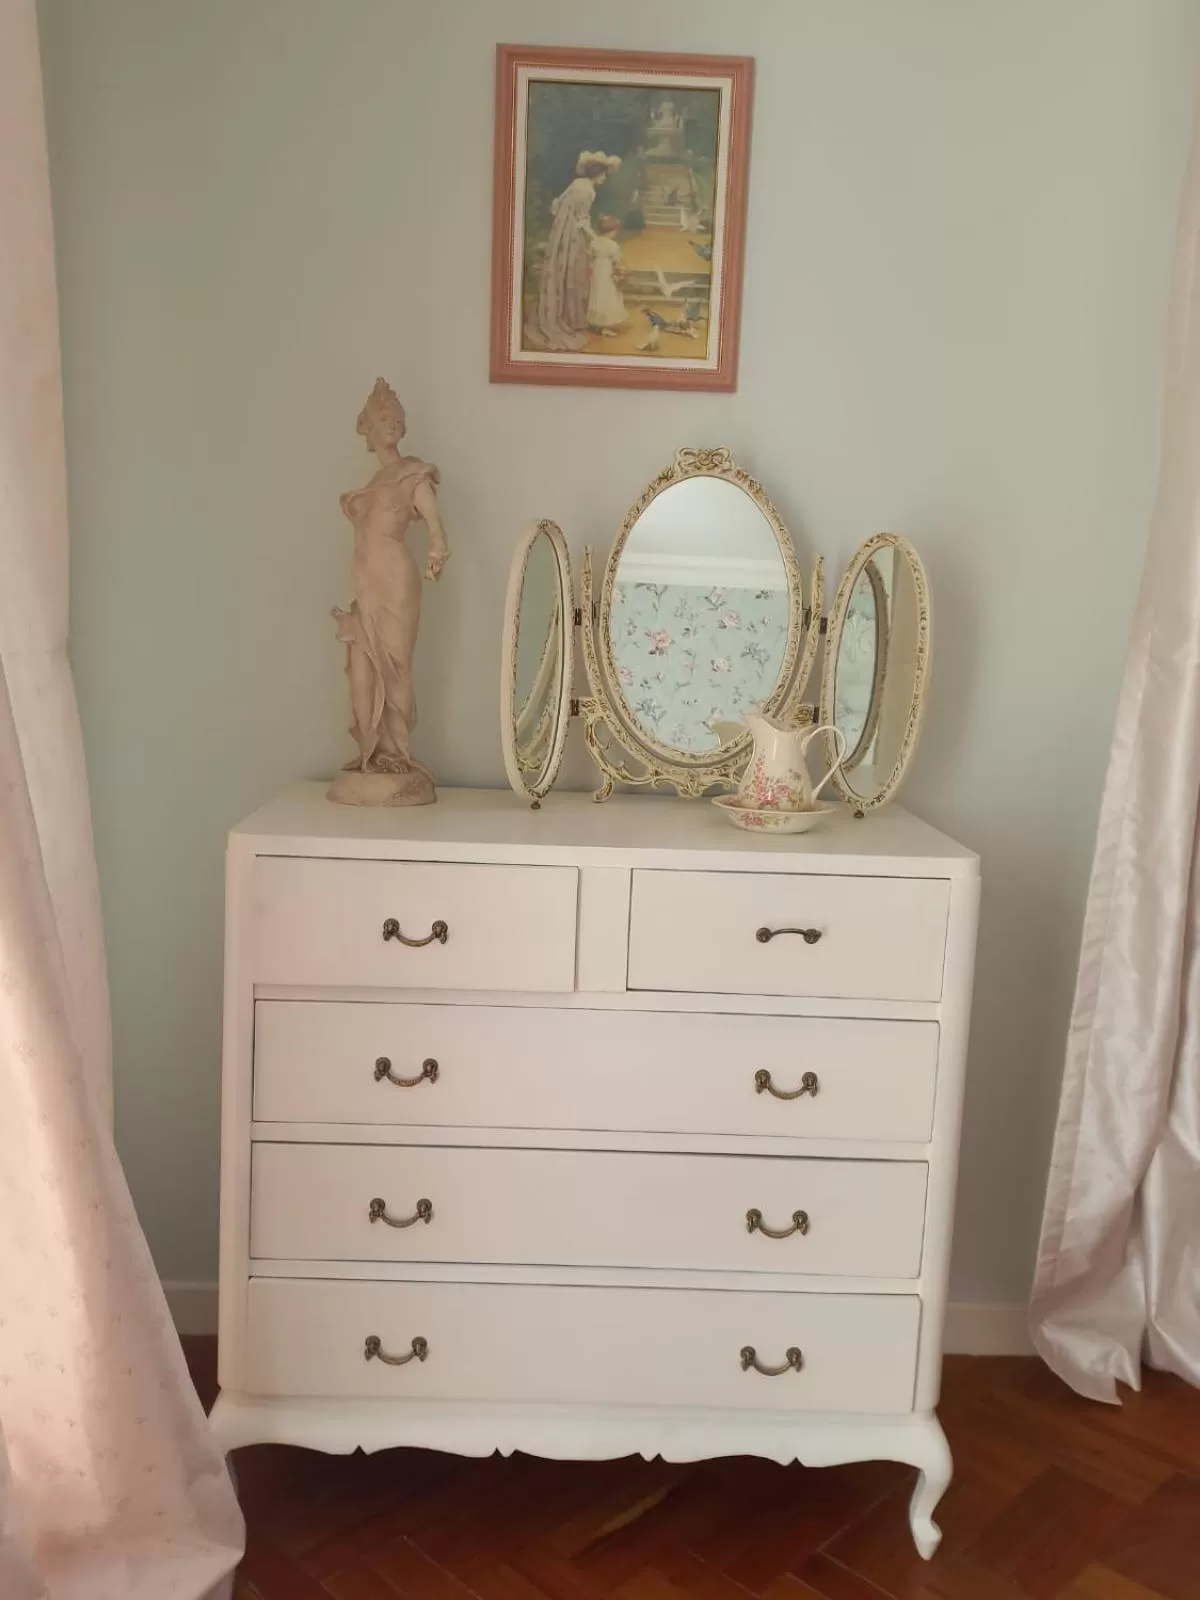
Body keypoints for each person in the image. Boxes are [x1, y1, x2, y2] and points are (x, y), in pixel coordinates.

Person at [527, 150, 620, 351]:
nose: (604, 178)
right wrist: (595, 237)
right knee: (574, 267)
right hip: (572, 233)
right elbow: (582, 219)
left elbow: (557, 205)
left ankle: (565, 314)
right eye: (603, 174)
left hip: (560, 230)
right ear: (597, 173)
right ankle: (570, 318)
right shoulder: (589, 191)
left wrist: (564, 222)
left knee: (562, 267)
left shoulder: (577, 184)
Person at [587, 215, 627, 336]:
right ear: (610, 231)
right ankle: (604, 326)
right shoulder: (612, 245)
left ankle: (597, 323)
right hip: (607, 271)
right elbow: (616, 260)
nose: (615, 233)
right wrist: (619, 272)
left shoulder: (594, 242)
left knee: (597, 294)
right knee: (607, 295)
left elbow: (590, 255)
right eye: (614, 231)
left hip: (596, 271)